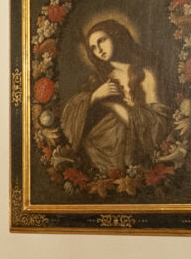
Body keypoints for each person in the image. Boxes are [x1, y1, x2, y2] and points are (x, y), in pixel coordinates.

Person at [61, 18, 167, 174]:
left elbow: (158, 124)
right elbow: (69, 118)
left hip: (130, 153)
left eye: (101, 41)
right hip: (95, 152)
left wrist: (114, 107)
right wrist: (94, 97)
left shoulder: (145, 75)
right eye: (93, 48)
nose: (99, 50)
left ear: (116, 36)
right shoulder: (97, 80)